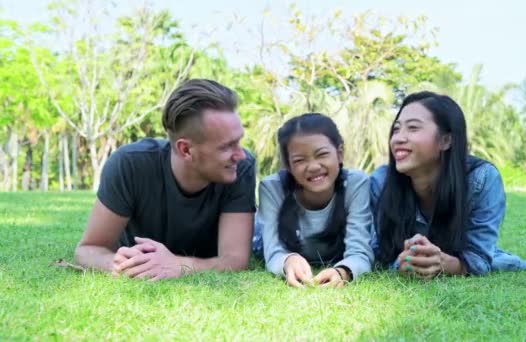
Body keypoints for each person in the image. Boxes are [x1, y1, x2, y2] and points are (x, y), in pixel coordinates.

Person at [74, 79, 256, 280]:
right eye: (226, 146)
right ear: (185, 149)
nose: (241, 155)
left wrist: (178, 265)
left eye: (239, 141)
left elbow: (235, 259)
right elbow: (89, 249)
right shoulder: (129, 165)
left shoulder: (241, 169)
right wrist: (117, 264)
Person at [370, 91, 526, 278]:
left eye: (412, 128)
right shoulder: (381, 181)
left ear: (446, 140)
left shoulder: (482, 179)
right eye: (396, 129)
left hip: (458, 250)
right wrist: (406, 261)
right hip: (418, 254)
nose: (398, 138)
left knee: (512, 264)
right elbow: (377, 251)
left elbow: (478, 259)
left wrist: (444, 264)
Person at [253, 113, 374, 288]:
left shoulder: (355, 183)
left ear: (339, 154)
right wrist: (288, 261)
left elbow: (360, 250)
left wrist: (343, 271)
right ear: (288, 166)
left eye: (322, 154)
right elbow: (273, 251)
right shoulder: (272, 188)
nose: (314, 166)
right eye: (300, 160)